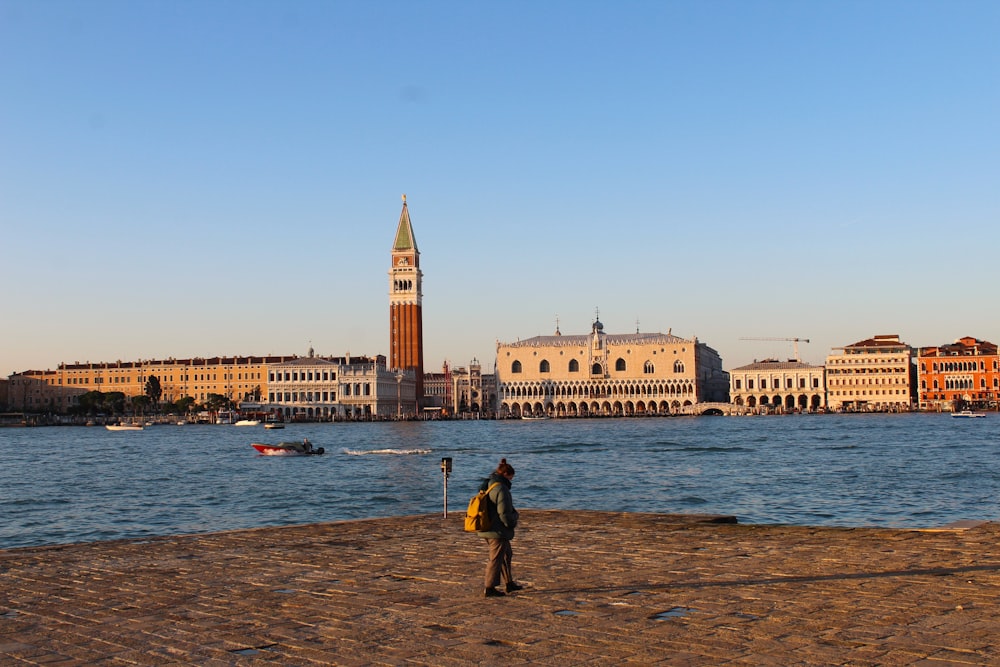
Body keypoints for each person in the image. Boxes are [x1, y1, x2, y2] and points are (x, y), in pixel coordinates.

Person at [477, 458, 522, 597]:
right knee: (496, 558)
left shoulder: (489, 484)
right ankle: (489, 588)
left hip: (488, 527)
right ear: (506, 474)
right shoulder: (501, 489)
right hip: (496, 530)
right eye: (511, 477)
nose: (511, 480)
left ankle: (509, 583)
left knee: (506, 554)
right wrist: (512, 522)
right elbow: (504, 512)